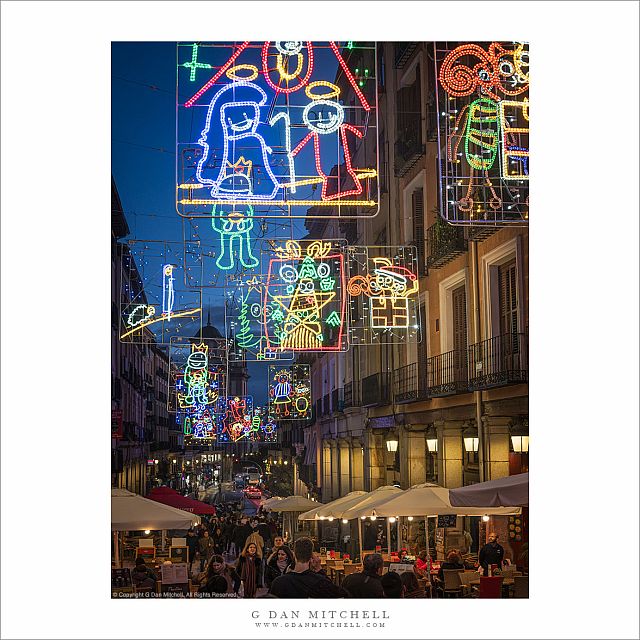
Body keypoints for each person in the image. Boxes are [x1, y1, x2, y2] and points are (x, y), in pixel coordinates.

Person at [268, 537, 347, 598]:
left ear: (294, 554)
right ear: (311, 556)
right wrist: (319, 569)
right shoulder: (320, 582)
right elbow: (342, 595)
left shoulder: (278, 582)